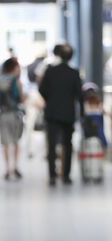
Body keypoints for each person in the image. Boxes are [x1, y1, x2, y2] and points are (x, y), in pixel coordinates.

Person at [39, 44, 83, 186]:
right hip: (68, 114)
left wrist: (50, 100)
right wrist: (81, 112)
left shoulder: (50, 71)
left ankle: (52, 176)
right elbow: (79, 95)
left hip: (52, 112)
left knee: (51, 145)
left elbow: (42, 89)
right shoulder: (74, 73)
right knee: (68, 144)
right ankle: (66, 175)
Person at [0, 58, 24, 180]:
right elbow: (21, 99)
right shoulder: (17, 82)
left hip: (3, 114)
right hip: (15, 114)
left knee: (5, 142)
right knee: (16, 141)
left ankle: (7, 169)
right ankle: (15, 167)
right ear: (14, 68)